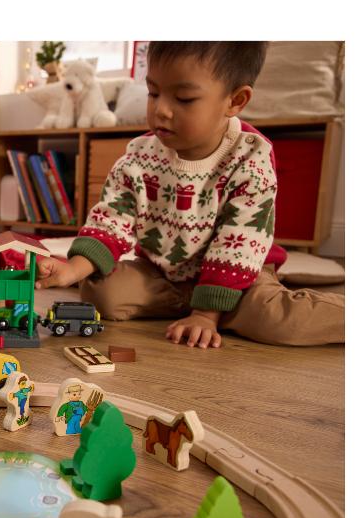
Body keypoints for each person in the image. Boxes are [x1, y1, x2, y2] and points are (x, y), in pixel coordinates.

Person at [36, 41, 344, 347]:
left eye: (184, 98)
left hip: (238, 278)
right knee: (102, 292)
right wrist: (71, 270)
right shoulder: (139, 156)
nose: (161, 110)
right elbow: (111, 219)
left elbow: (238, 242)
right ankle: (198, 307)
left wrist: (206, 314)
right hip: (166, 275)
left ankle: (221, 308)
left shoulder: (250, 157)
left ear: (235, 101)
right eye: (153, 93)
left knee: (281, 322)